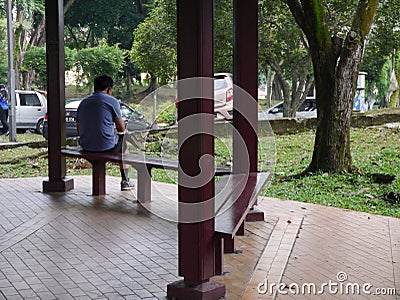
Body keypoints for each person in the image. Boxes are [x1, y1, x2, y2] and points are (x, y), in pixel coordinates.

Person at [76, 75, 133, 191]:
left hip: (85, 145)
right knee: (124, 144)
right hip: (105, 146)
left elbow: (79, 128)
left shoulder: (83, 102)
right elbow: (121, 129)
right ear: (108, 89)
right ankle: (125, 180)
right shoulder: (112, 101)